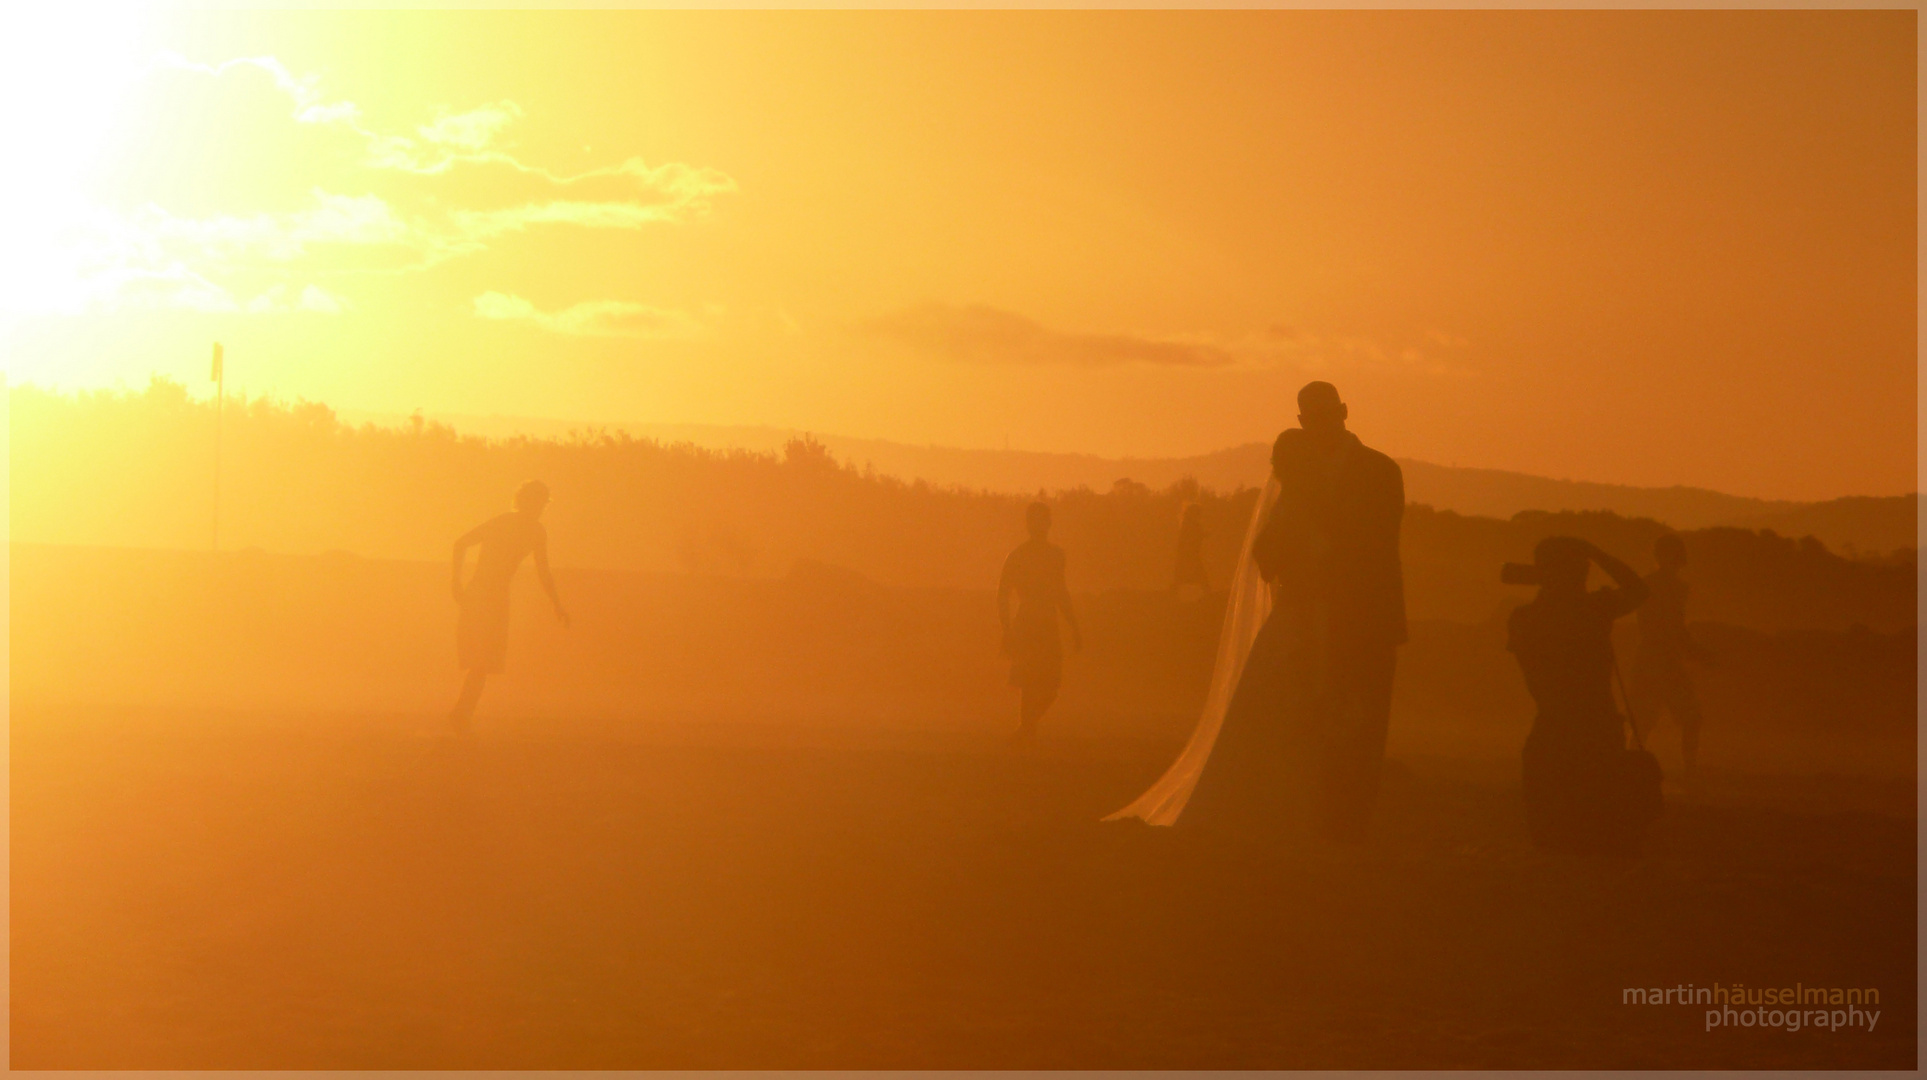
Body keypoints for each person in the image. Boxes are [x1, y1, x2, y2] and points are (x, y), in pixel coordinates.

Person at [1106, 382, 1406, 842]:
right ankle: (1310, 816)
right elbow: (1269, 547)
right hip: (1307, 611)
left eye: (1325, 414)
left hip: (1357, 619)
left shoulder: (1379, 470)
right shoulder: (1301, 475)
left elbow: (1377, 544)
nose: (1320, 424)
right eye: (1312, 417)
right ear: (1305, 422)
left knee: (1355, 727)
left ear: (1343, 412)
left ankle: (1343, 821)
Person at [1504, 536, 1659, 854]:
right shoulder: (1595, 609)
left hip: (1552, 726)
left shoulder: (1524, 618)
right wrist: (1598, 553)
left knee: (1551, 829)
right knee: (1596, 827)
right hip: (1598, 726)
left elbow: (1533, 673)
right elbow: (1639, 591)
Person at [448, 480, 570, 733]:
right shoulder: (511, 524)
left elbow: (543, 571)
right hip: (483, 595)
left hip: (491, 596)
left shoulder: (533, 530)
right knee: (480, 659)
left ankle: (461, 713)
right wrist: (456, 584)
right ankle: (461, 713)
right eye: (535, 502)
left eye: (541, 504)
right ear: (525, 501)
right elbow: (460, 544)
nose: (538, 508)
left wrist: (556, 603)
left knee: (483, 660)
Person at [1630, 533, 1710, 781]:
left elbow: (1673, 628)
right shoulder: (1671, 588)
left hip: (1655, 659)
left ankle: (1633, 769)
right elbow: (1674, 628)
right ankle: (1690, 773)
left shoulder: (1650, 585)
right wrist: (1696, 652)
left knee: (1647, 721)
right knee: (1662, 720)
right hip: (1660, 659)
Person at [998, 501, 1081, 741]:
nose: (1039, 525)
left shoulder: (1056, 555)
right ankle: (1026, 730)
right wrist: (1006, 627)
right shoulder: (1017, 555)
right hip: (1028, 622)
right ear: (1028, 524)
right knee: (1028, 680)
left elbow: (1060, 592)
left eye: (1042, 520)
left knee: (1050, 685)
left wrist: (1074, 626)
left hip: (1047, 622)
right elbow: (1003, 593)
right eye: (1034, 520)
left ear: (1049, 523)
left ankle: (1027, 728)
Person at [1171, 502, 1210, 601]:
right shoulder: (1191, 525)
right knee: (1198, 576)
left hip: (1187, 555)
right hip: (1190, 555)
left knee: (1181, 576)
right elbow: (1191, 539)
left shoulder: (1186, 524)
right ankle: (1207, 594)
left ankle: (1173, 594)